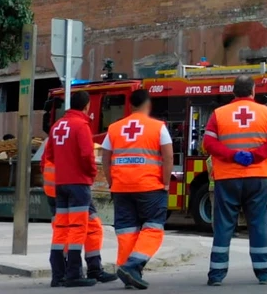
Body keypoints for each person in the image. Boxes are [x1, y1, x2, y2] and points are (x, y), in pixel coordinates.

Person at [203, 75, 267, 286]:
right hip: (257, 177)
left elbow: (209, 143)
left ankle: (216, 275)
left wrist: (232, 155)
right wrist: (255, 156)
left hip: (227, 178)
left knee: (223, 226)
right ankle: (265, 273)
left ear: (233, 92)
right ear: (253, 91)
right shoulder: (266, 112)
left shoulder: (219, 114)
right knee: (258, 225)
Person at [102, 88, 174, 290]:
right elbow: (168, 157)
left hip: (121, 187)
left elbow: (105, 159)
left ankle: (127, 271)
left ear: (131, 105)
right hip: (150, 186)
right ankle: (132, 267)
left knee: (126, 230)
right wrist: (166, 183)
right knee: (153, 228)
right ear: (148, 105)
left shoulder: (114, 128)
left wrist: (111, 182)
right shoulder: (158, 127)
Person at [44, 91, 115, 288]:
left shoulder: (57, 126)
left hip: (60, 185)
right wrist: (91, 174)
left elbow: (49, 154)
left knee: (61, 229)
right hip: (78, 184)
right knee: (77, 229)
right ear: (86, 106)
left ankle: (58, 274)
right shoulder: (81, 125)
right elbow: (86, 155)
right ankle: (74, 274)